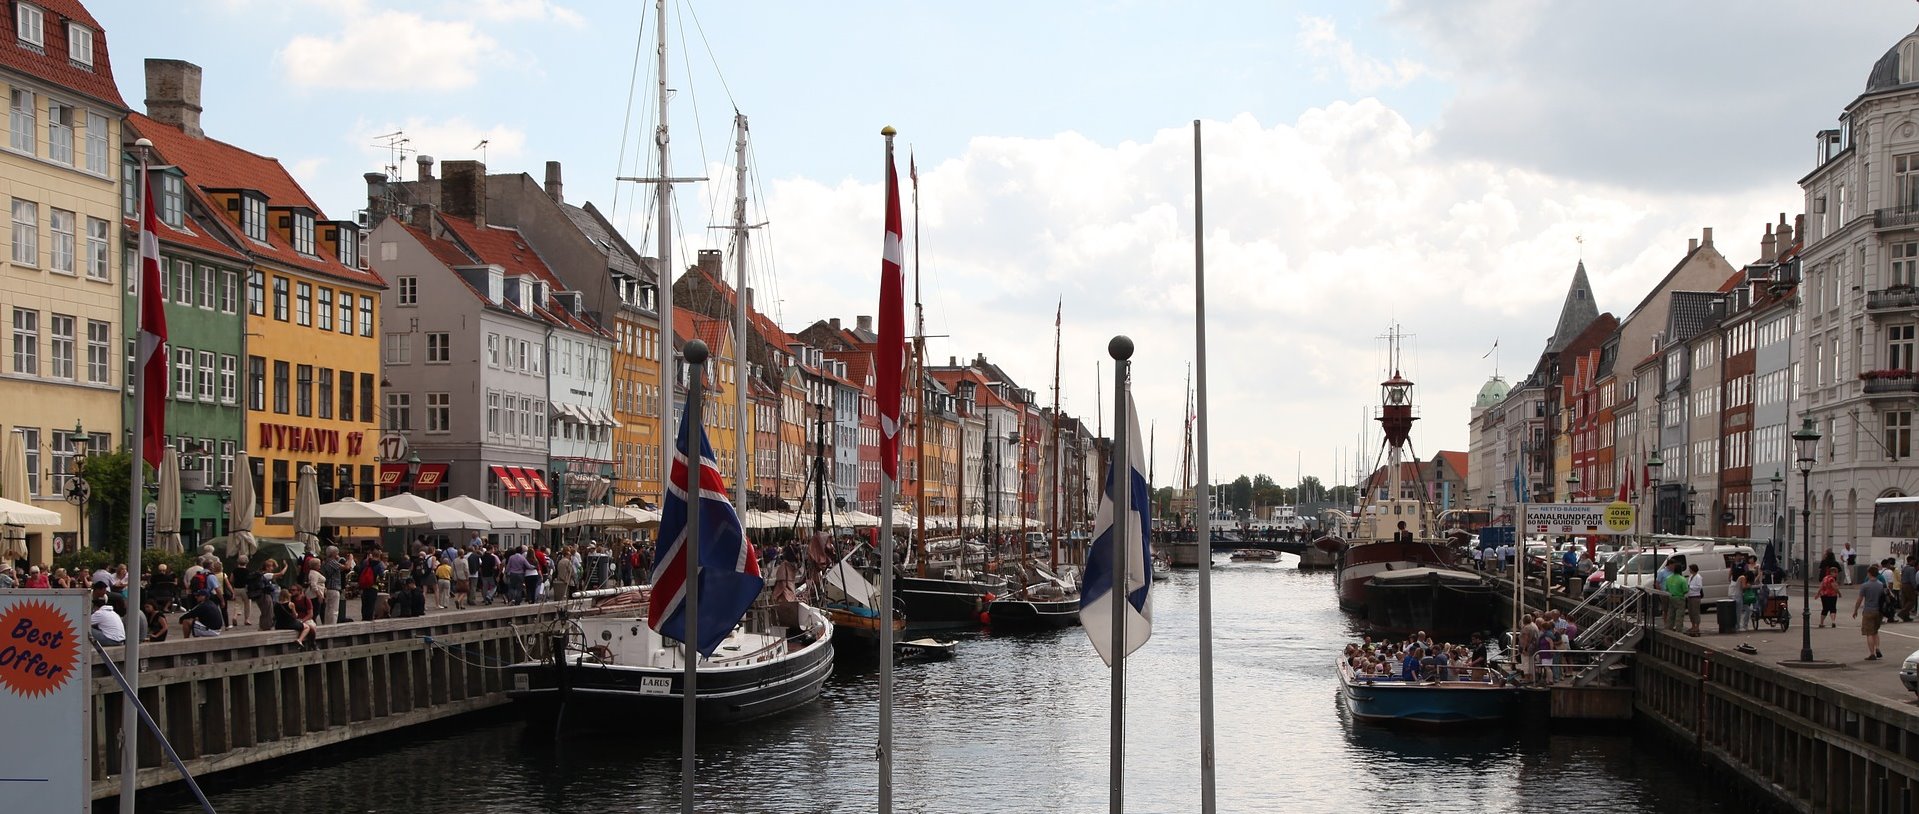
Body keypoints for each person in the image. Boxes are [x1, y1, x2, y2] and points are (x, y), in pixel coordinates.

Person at [1855, 563, 1886, 660]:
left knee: (1869, 633)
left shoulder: (1865, 585)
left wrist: (1855, 610)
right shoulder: (1881, 585)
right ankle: (1878, 648)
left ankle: (1872, 653)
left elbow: (1860, 599)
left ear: (1869, 573)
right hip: (1879, 611)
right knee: (1875, 631)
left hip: (1868, 610)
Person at [356, 550, 385, 622]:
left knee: (364, 604)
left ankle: (364, 618)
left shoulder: (365, 562)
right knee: (371, 604)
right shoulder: (379, 564)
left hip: (364, 586)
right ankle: (369, 619)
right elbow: (381, 575)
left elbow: (359, 571)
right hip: (373, 586)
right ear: (379, 556)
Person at [1663, 564, 1689, 632]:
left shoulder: (1668, 578)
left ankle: (1668, 630)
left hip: (1671, 597)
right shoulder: (1682, 579)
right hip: (1680, 598)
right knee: (1679, 616)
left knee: (1670, 615)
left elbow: (1666, 589)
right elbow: (1685, 590)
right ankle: (1678, 630)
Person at [1685, 564, 1704, 636]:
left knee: (1696, 612)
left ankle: (1697, 626)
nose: (1689, 570)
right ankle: (1693, 625)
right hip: (1690, 596)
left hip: (1696, 596)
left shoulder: (1698, 577)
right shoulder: (1690, 576)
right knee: (1691, 612)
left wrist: (1690, 587)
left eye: (1690, 569)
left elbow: (1699, 587)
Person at [1902, 556, 1918, 623]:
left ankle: (1906, 617)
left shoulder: (1904, 568)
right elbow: (1912, 579)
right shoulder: (1912, 569)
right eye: (1914, 561)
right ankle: (1902, 613)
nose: (1914, 562)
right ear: (1911, 561)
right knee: (1912, 600)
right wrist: (1915, 587)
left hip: (1903, 585)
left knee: (1906, 601)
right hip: (1909, 585)